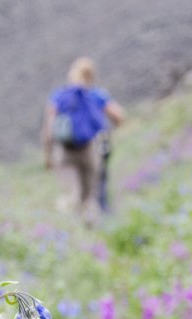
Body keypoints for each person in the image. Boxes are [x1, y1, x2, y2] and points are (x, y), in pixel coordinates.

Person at [43, 57, 125, 219]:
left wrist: (48, 155)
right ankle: (95, 227)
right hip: (90, 149)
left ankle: (68, 228)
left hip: (65, 152)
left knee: (72, 193)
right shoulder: (97, 95)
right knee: (91, 195)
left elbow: (48, 128)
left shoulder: (59, 96)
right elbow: (119, 116)